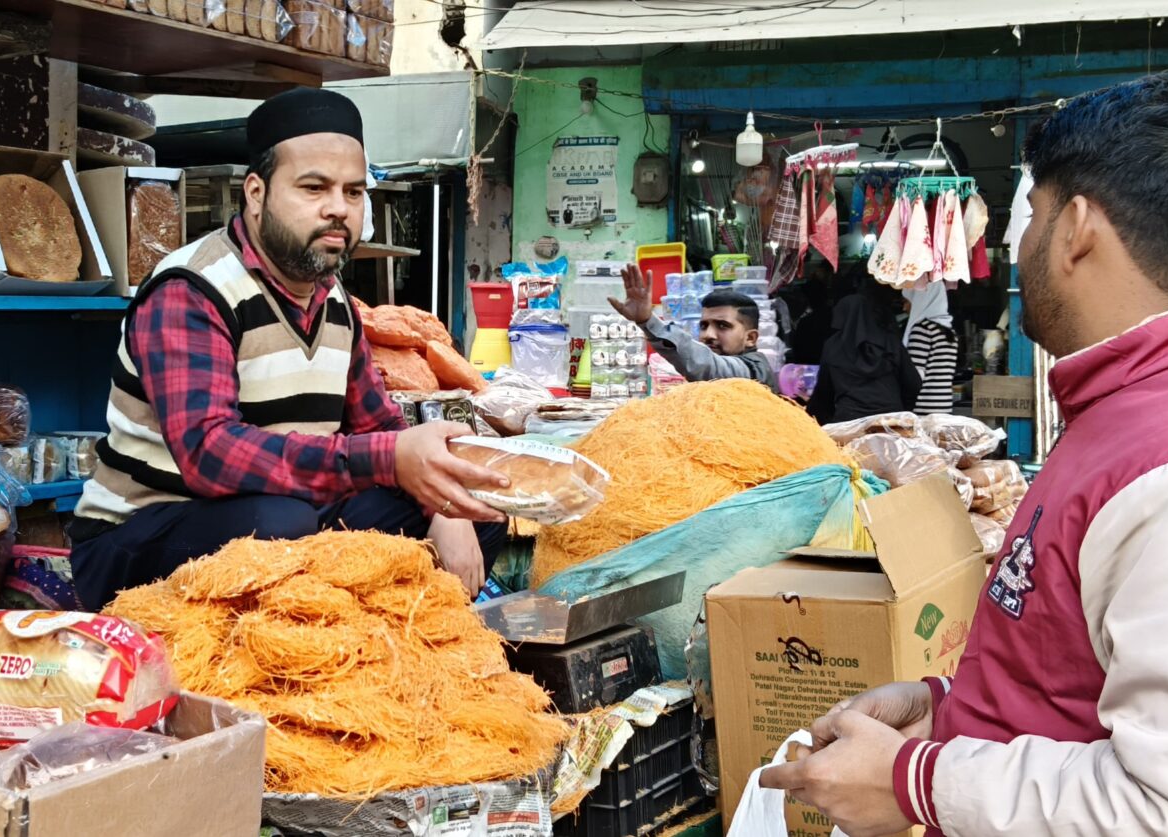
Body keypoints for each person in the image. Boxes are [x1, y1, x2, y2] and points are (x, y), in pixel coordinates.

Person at [759, 77, 1168, 836]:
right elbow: (1088, 680)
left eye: (1027, 215)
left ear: (1077, 228)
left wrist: (917, 781)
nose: (1015, 244)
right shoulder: (1152, 406)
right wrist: (945, 708)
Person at [69, 88, 509, 610]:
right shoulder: (192, 288)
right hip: (142, 535)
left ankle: (367, 648)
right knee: (280, 525)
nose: (337, 210)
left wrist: (441, 503)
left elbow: (379, 427)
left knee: (476, 509)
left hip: (286, 513)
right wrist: (392, 458)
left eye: (352, 192)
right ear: (256, 193)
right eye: (313, 188)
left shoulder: (335, 300)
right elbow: (209, 455)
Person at [609, 264, 778, 391]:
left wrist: (648, 321)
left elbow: (708, 365)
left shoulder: (755, 370)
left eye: (723, 326)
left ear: (750, 338)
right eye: (704, 326)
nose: (708, 335)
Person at [806, 277, 921, 423]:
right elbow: (913, 383)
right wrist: (902, 409)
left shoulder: (833, 346)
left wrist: (819, 416)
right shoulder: (890, 341)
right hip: (892, 420)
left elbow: (824, 391)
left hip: (850, 420)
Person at [903, 283, 959, 415]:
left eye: (908, 301)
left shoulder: (922, 329)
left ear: (921, 300)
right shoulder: (949, 332)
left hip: (923, 410)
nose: (904, 307)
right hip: (944, 407)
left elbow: (915, 376)